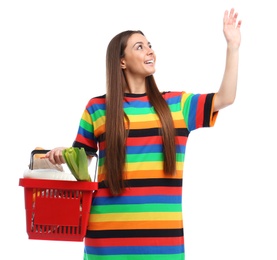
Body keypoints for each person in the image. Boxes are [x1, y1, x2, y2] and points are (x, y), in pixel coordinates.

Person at [46, 8, 242, 260]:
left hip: (163, 242)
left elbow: (225, 98)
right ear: (122, 61)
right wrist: (64, 154)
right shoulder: (97, 108)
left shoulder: (177, 105)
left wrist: (233, 47)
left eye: (149, 45)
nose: (150, 50)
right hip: (106, 239)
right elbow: (83, 161)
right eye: (139, 47)